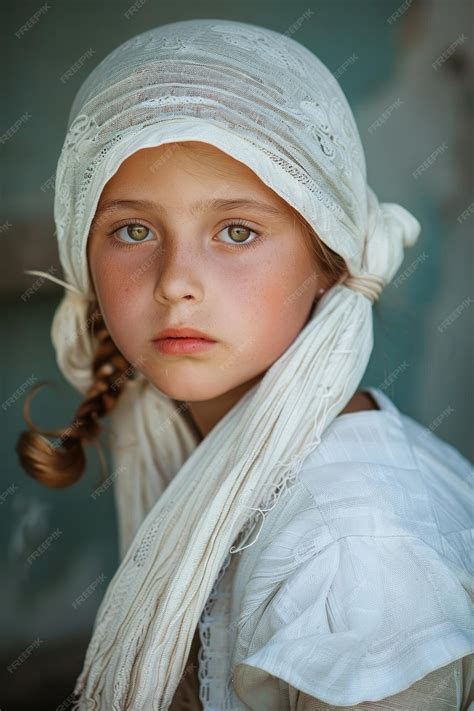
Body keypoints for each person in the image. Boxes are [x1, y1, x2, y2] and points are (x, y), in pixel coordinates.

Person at [16, 18, 472, 711]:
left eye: (237, 231)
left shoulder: (354, 558)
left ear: (327, 260)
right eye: (133, 230)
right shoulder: (220, 454)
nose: (175, 282)